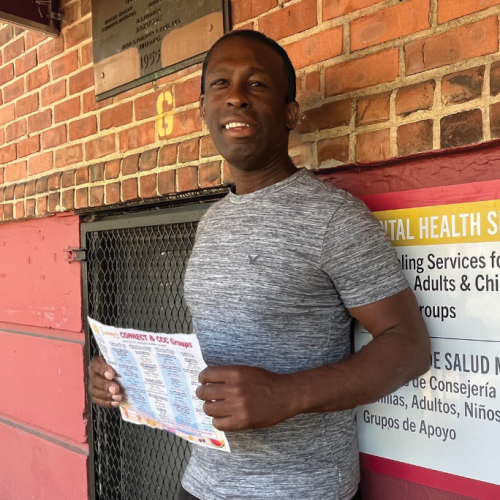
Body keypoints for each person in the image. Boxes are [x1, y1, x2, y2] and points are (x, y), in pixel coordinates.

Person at [89, 30, 430, 500]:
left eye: (257, 85)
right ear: (203, 110)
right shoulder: (211, 222)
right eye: (220, 85)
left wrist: (288, 395)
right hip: (202, 481)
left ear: (290, 112)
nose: (235, 98)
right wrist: (126, 377)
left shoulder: (332, 217)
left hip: (300, 490)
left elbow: (409, 345)